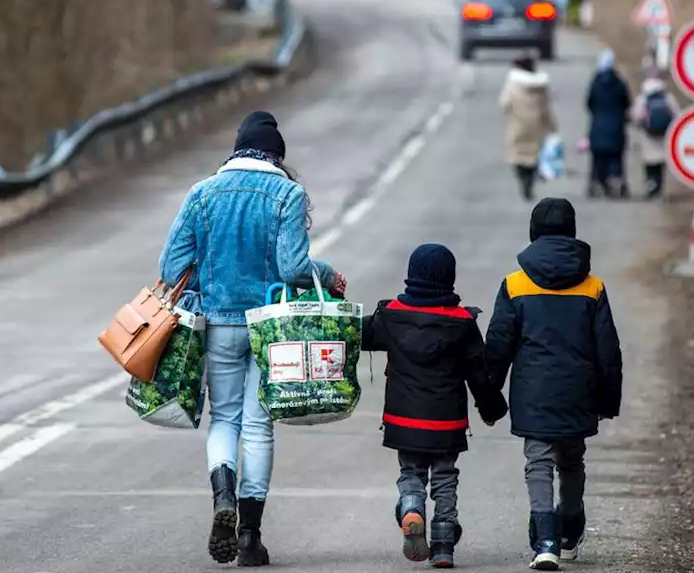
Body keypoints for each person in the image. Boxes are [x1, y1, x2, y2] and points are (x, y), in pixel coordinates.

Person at [159, 110, 348, 567]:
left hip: (218, 323)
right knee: (259, 426)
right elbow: (294, 270)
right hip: (272, 328)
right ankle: (249, 538)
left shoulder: (201, 194)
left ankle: (221, 494)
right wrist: (327, 275)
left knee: (223, 419)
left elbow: (170, 270)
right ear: (277, 155)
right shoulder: (287, 193)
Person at [483, 198, 623, 571]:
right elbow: (607, 349)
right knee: (572, 460)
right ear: (573, 231)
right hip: (579, 391)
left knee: (539, 462)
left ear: (533, 231)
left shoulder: (515, 284)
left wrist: (489, 393)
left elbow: (498, 344)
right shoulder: (592, 287)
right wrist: (609, 400)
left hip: (534, 390)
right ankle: (571, 526)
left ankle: (545, 539)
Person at [362, 243, 509, 568]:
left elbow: (359, 334)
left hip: (404, 420)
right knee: (445, 478)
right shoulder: (462, 322)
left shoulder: (390, 315)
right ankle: (443, 545)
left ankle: (412, 506)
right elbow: (478, 374)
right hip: (447, 423)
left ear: (411, 276)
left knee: (411, 472)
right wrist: (492, 409)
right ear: (450, 279)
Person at [499, 54, 558, 202]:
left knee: (519, 155)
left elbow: (504, 105)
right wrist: (552, 127)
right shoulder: (541, 87)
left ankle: (523, 180)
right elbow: (546, 109)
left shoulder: (513, 86)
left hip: (518, 126)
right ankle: (530, 183)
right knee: (534, 156)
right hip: (537, 127)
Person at [585, 50, 633, 198]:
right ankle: (616, 182)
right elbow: (627, 102)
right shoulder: (619, 83)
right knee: (616, 157)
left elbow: (589, 103)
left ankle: (598, 183)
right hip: (616, 127)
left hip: (598, 127)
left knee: (598, 158)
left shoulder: (595, 82)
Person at [629, 68, 679, 199]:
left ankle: (650, 184)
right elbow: (676, 114)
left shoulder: (644, 97)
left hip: (647, 135)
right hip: (663, 136)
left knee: (649, 163)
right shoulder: (667, 97)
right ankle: (658, 186)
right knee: (660, 163)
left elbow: (636, 115)